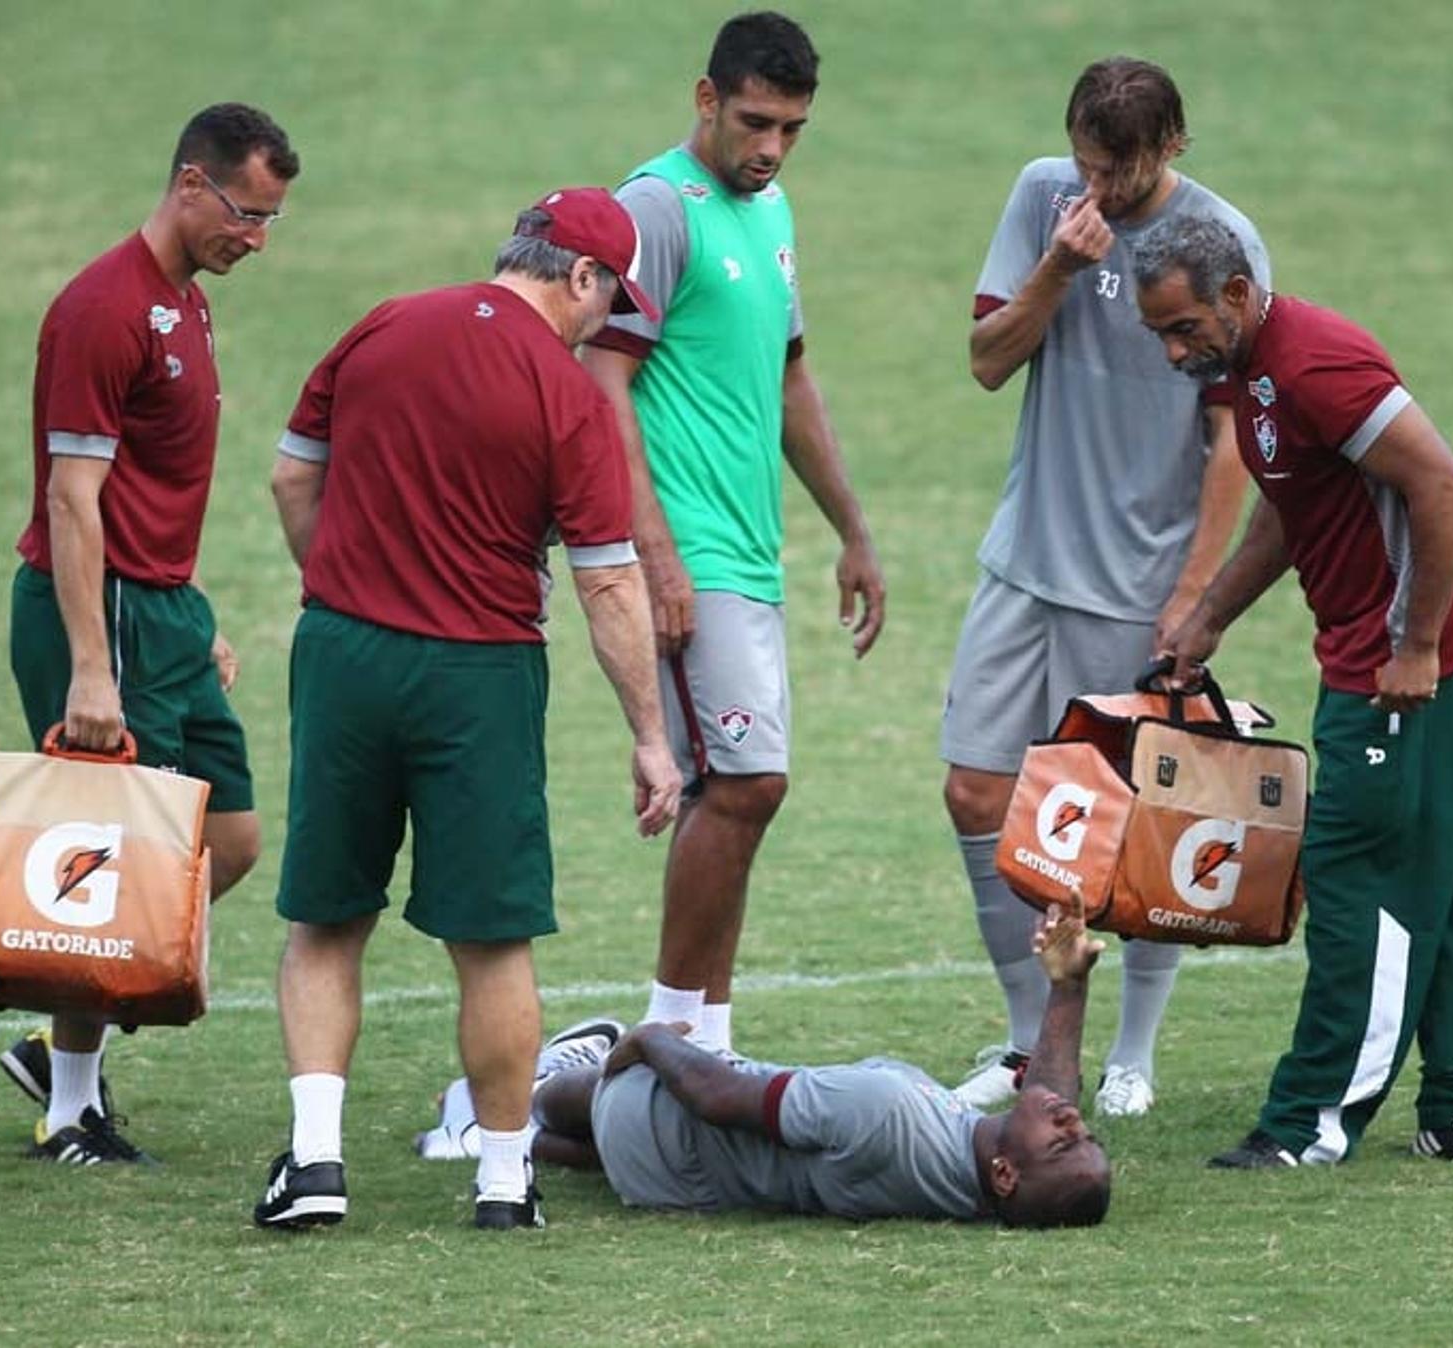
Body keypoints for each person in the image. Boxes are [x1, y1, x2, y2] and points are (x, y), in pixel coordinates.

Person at [254, 187, 683, 1232]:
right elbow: (610, 582)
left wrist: (349, 589)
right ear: (577, 274)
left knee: (327, 919)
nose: (608, 323)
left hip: (345, 654)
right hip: (480, 677)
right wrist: (649, 736)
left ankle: (315, 1165)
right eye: (610, 298)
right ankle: (502, 1179)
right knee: (492, 940)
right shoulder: (569, 396)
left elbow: (287, 481)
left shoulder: (385, 324)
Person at [1130, 215, 1453, 1168]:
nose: (1178, 351)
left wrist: (1415, 645)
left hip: (1398, 664)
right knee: (1436, 859)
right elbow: (1291, 506)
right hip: (1379, 652)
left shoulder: (1312, 365)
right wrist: (1211, 615)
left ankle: (1312, 1122)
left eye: (1184, 328)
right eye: (1162, 336)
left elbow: (1443, 485)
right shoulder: (1256, 375)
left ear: (1234, 293)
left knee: (1358, 875)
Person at [941, 58, 1269, 1118]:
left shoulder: (1223, 243)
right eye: (1086, 160)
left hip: (1137, 582)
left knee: (1126, 833)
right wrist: (1057, 271)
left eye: (1116, 169)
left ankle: (1130, 1050)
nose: (1098, 185)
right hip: (1024, 559)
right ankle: (1031, 1040)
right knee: (976, 794)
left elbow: (1231, 441)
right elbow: (988, 361)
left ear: (1170, 145)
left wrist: (1194, 595)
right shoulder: (1047, 198)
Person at [581, 11, 887, 1059]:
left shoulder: (771, 207)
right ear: (705, 98)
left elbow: (790, 375)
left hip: (750, 554)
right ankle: (669, 1041)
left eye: (793, 129)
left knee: (738, 795)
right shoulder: (656, 209)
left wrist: (851, 526)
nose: (771, 148)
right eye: (756, 122)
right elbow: (601, 381)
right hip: (691, 553)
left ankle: (705, 1034)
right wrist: (654, 555)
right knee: (746, 783)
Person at [3, 103, 298, 1165]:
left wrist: (192, 607)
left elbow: (153, 483)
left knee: (229, 839)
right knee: (122, 859)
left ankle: (56, 1037)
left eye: (268, 221)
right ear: (189, 182)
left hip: (163, 609)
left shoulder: (186, 303)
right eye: (246, 213)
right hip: (107, 611)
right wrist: (94, 665)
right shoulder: (103, 309)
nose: (256, 239)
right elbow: (75, 499)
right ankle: (70, 1106)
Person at [524, 898, 1111, 1227]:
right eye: (1086, 1133)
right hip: (671, 1180)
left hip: (650, 1111)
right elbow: (1047, 1097)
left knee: (557, 1092)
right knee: (577, 1139)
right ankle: (525, 1142)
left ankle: (523, 1096)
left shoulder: (888, 1114)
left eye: (1064, 1141)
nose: (1071, 1119)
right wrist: (1069, 988)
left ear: (1006, 1173)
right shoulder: (968, 1177)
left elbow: (718, 1097)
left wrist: (650, 1040)